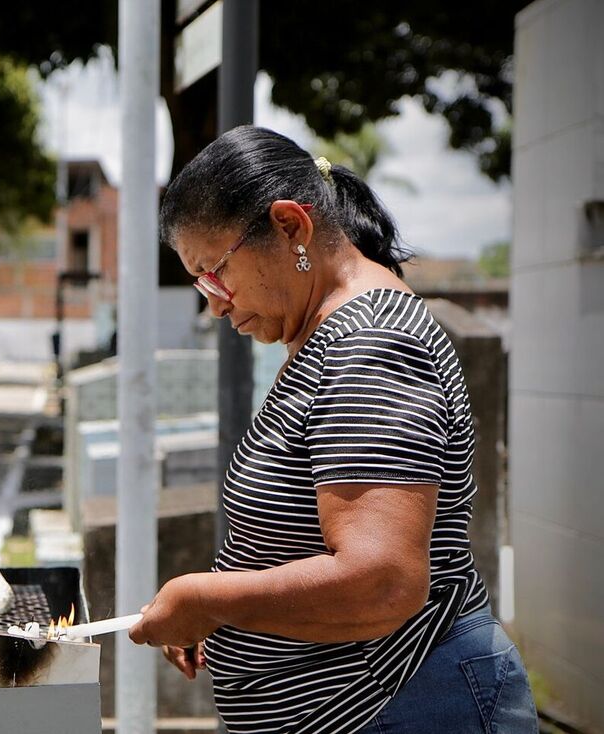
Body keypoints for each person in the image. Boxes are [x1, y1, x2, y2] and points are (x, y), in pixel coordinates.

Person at [128, 126, 536, 733]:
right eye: (199, 282)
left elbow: (381, 583)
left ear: (292, 226)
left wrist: (205, 599)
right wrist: (229, 613)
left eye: (215, 272)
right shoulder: (329, 334)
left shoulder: (371, 342)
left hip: (405, 703)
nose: (213, 303)